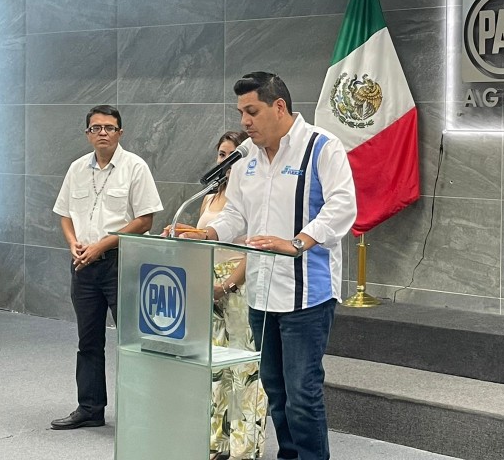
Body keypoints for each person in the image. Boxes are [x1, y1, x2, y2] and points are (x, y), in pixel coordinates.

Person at [181, 72, 356, 460]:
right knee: (275, 389)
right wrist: (206, 233)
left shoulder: (321, 147)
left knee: (302, 392)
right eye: (241, 113)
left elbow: (343, 206)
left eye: (252, 111)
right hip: (260, 292)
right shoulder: (246, 158)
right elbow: (236, 215)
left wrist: (297, 242)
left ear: (279, 107)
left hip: (307, 293)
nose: (244, 121)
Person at [51, 105, 162, 430]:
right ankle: (90, 408)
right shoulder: (76, 168)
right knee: (88, 341)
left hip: (120, 264)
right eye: (96, 128)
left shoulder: (134, 167)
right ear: (87, 133)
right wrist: (73, 242)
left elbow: (145, 220)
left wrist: (101, 245)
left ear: (120, 132)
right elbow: (65, 213)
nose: (103, 133)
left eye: (109, 128)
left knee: (132, 342)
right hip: (83, 266)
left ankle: (139, 413)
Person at [200, 131, 267, 460]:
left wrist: (227, 285)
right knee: (216, 368)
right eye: (221, 154)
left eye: (231, 155)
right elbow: (204, 239)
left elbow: (254, 249)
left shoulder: (251, 197)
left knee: (243, 367)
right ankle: (218, 442)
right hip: (209, 282)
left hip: (239, 283)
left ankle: (245, 447)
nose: (225, 161)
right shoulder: (208, 197)